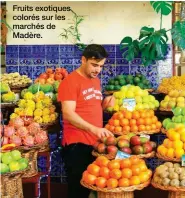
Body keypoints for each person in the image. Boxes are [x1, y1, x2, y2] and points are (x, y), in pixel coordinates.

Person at [58, 44, 114, 198]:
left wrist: (106, 104)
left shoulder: (95, 81)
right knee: (78, 191)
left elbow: (91, 108)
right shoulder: (70, 82)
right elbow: (68, 114)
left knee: (93, 190)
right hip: (77, 145)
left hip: (94, 144)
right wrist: (94, 129)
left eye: (101, 66)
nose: (97, 70)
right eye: (94, 65)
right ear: (83, 60)